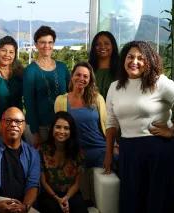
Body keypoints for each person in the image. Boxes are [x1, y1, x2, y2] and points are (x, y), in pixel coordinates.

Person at [103, 41, 174, 213]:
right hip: (128, 150)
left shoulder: (159, 82)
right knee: (131, 200)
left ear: (149, 61)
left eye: (141, 58)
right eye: (130, 57)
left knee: (158, 201)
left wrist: (172, 130)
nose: (134, 61)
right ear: (124, 59)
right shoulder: (114, 87)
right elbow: (111, 123)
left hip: (158, 148)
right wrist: (108, 153)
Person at [54, 62, 107, 205]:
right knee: (80, 197)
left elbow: (106, 125)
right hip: (75, 152)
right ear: (72, 77)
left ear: (90, 80)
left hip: (99, 149)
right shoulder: (61, 100)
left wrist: (112, 145)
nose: (81, 78)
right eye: (78, 74)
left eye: (85, 76)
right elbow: (59, 129)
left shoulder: (98, 99)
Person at [0, 107, 40, 213]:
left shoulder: (33, 154)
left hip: (22, 204)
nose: (13, 124)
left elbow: (33, 184)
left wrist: (25, 207)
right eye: (8, 121)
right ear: (1, 124)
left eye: (18, 121)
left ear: (24, 126)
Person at [24, 25, 70, 146]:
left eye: (50, 42)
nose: (47, 46)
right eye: (42, 42)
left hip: (61, 127)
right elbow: (29, 103)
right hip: (40, 127)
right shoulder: (30, 71)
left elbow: (71, 94)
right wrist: (35, 132)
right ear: (36, 45)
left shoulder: (62, 67)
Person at [38, 111, 88, 213]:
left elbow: (77, 184)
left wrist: (66, 198)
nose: (62, 131)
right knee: (52, 208)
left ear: (71, 131)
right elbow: (43, 182)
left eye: (66, 128)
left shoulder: (79, 153)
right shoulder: (42, 150)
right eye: (58, 127)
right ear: (52, 129)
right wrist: (57, 198)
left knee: (80, 208)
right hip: (50, 195)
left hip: (71, 194)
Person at [0, 36, 24, 119]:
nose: (7, 54)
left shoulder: (20, 73)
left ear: (15, 55)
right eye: (4, 50)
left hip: (16, 122)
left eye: (11, 52)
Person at [88, 31, 119, 99]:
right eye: (98, 44)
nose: (102, 46)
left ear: (113, 46)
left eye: (106, 43)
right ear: (94, 47)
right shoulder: (87, 70)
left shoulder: (121, 70)